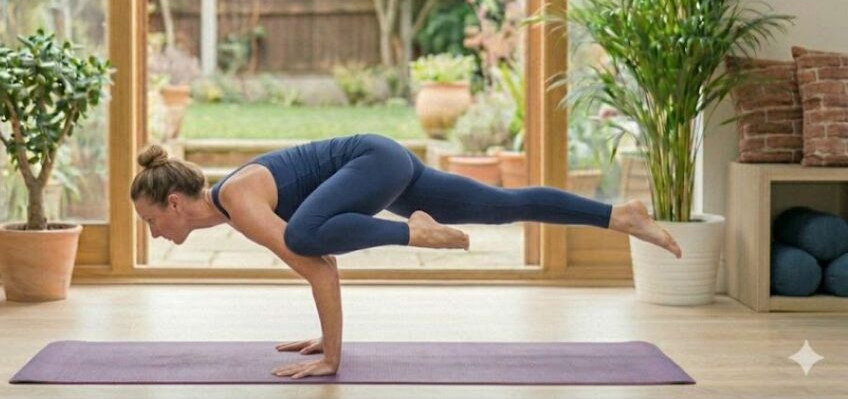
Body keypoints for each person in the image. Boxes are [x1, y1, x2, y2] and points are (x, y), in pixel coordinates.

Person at [130, 133, 682, 380]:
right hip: (383, 162)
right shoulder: (235, 206)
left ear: (174, 203)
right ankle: (619, 216)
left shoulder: (239, 200)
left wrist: (332, 361)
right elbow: (324, 261)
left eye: (152, 222)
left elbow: (315, 259)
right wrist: (330, 341)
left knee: (303, 237)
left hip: (374, 160)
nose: (154, 235)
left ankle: (415, 234)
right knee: (498, 205)